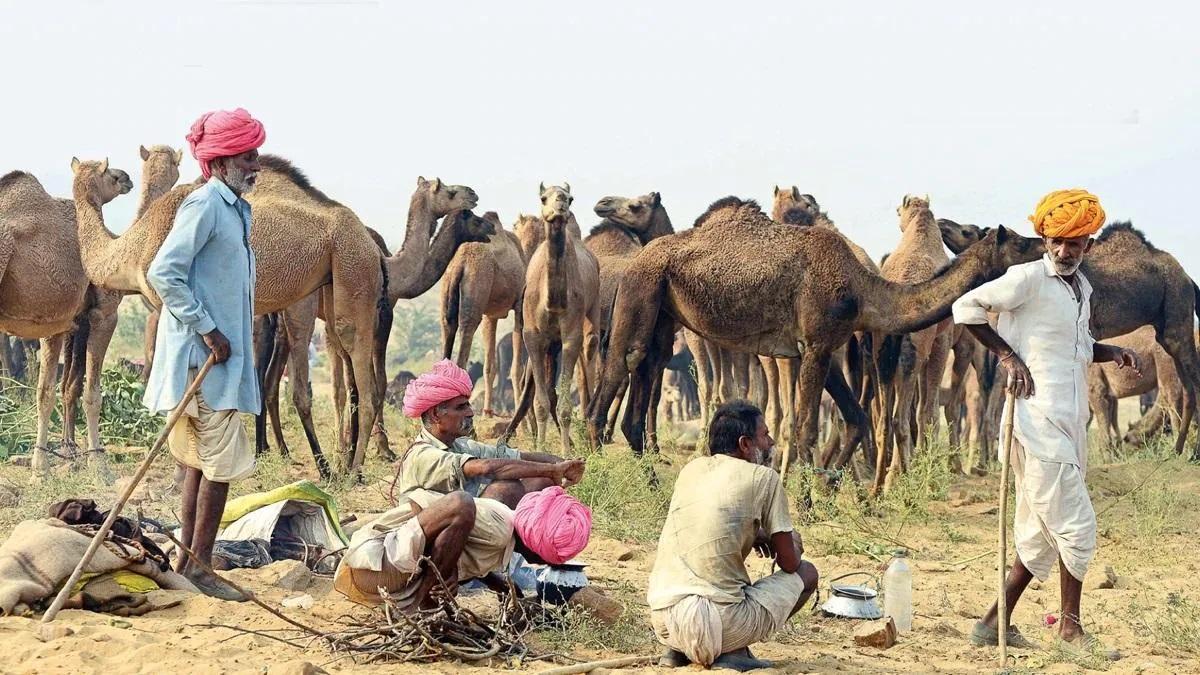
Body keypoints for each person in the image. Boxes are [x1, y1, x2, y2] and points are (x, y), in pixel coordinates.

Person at [953, 189, 1138, 657]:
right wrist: (1007, 355)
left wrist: (1108, 351)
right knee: (1077, 527)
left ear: (1088, 246)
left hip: (1069, 423)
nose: (1064, 251)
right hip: (1036, 422)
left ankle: (993, 621)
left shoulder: (1082, 290)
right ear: (1044, 240)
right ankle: (1070, 631)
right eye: (1056, 241)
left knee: (1038, 535)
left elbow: (1072, 347)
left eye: (1074, 243)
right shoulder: (1027, 279)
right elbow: (965, 309)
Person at [143, 108, 265, 601]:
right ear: (220, 161)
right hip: (206, 361)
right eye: (247, 155)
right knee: (219, 465)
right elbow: (163, 273)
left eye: (254, 154)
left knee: (197, 463)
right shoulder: (204, 206)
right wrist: (210, 329)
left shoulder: (234, 207)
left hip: (213, 361)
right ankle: (202, 567)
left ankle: (188, 562)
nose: (255, 163)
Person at [647, 400, 819, 671]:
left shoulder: (690, 469)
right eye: (764, 435)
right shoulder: (764, 478)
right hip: (721, 625)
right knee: (808, 574)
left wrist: (759, 534)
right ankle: (734, 649)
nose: (771, 442)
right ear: (745, 444)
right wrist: (792, 542)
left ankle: (678, 651)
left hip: (665, 621)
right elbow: (790, 564)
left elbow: (714, 520)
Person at [390, 359, 586, 508]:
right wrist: (552, 470)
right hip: (429, 541)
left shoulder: (462, 446)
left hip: (463, 528)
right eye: (461, 407)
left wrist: (561, 464)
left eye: (468, 405)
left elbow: (518, 457)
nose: (470, 412)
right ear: (435, 414)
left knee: (542, 481)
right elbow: (486, 467)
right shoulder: (422, 455)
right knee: (506, 489)